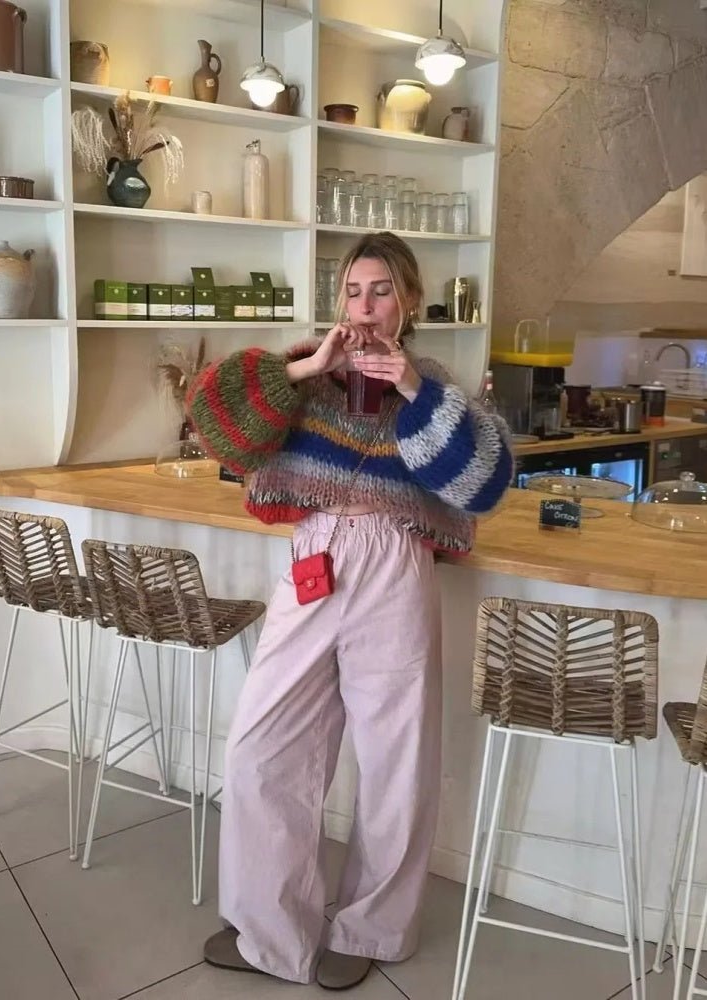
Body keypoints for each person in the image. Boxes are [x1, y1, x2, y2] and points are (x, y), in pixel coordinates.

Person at [187, 232, 513, 990]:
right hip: (315, 554)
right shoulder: (305, 377)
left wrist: (414, 391)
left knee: (397, 758)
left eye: (381, 292)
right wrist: (306, 367)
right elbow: (213, 424)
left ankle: (371, 926)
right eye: (353, 293)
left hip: (394, 562)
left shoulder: (435, 387)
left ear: (410, 303)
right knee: (262, 747)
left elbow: (486, 485)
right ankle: (269, 927)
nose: (365, 309)